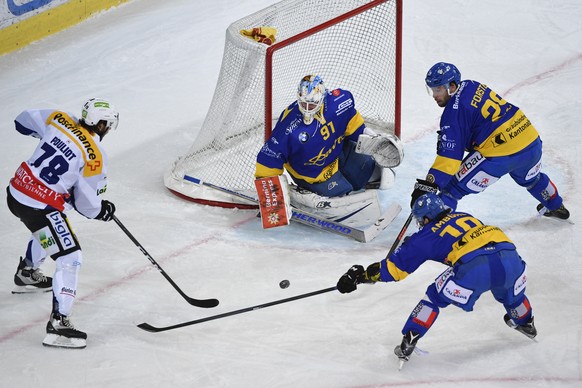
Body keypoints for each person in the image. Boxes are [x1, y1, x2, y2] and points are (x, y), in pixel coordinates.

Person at [337, 193, 537, 368]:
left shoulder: (424, 237)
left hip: (475, 270)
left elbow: (394, 270)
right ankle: (525, 322)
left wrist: (361, 276)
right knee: (509, 292)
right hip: (510, 258)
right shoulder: (464, 216)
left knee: (433, 298)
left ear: (425, 218)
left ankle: (411, 337)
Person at [6, 98, 119, 349]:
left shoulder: (58, 118)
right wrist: (103, 210)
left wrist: (50, 136)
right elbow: (87, 205)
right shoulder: (95, 156)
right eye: (108, 125)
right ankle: (59, 325)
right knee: (70, 256)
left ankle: (27, 273)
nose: (108, 129)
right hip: (39, 207)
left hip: (15, 194)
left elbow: (21, 122)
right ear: (100, 124)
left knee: (53, 226)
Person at [410, 62, 569, 220]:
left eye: (438, 89)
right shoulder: (471, 85)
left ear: (452, 86)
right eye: (432, 89)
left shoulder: (452, 114)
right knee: (533, 180)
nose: (434, 95)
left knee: (451, 189)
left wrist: (429, 185)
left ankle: (433, 233)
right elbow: (480, 122)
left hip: (500, 154)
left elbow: (449, 159)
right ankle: (555, 205)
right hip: (530, 142)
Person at [255, 74, 403, 198]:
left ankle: (351, 174)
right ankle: (308, 190)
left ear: (322, 98)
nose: (307, 109)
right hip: (313, 174)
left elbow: (351, 120)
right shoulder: (288, 127)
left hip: (336, 155)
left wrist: (369, 136)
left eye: (312, 105)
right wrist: (271, 195)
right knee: (344, 194)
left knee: (375, 175)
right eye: (304, 104)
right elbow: (269, 158)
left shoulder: (338, 102)